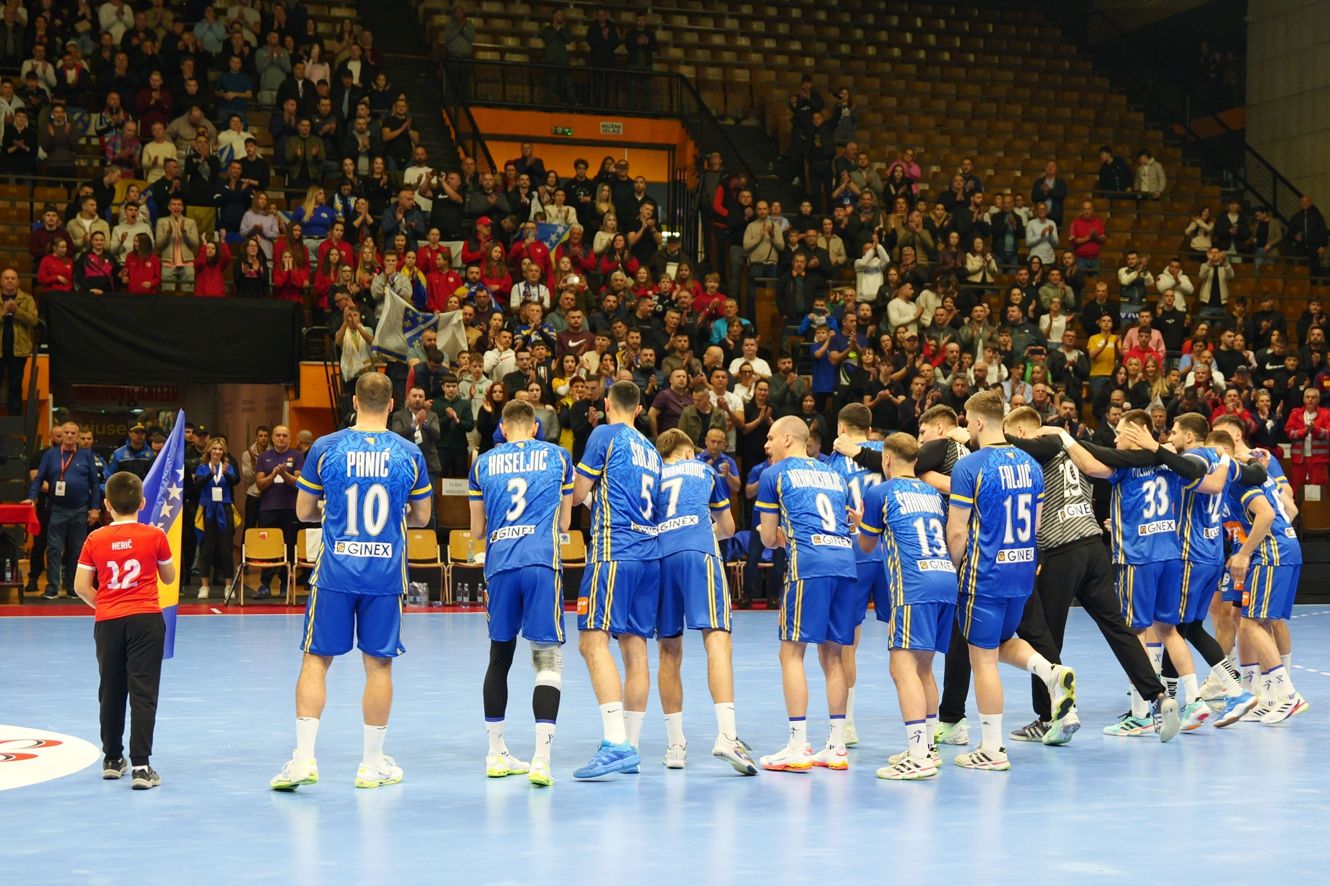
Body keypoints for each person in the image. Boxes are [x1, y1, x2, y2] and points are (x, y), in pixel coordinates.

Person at [270, 373, 433, 792]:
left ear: (355, 402)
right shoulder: (409, 453)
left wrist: (332, 511)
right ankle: (371, 764)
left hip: (335, 571)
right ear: (392, 404)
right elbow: (422, 518)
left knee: (315, 660)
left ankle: (304, 759)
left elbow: (304, 511)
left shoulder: (326, 447)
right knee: (378, 665)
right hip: (384, 574)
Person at [943, 390, 1072, 771]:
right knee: (1000, 642)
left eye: (967, 421)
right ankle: (1050, 672)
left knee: (982, 659)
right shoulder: (1032, 464)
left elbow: (957, 531)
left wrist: (954, 569)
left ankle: (992, 748)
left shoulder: (970, 466)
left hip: (984, 573)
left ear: (978, 422)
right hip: (1021, 570)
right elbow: (1036, 524)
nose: (967, 428)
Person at [1056, 409, 1203, 736]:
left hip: (1139, 557)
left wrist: (1064, 438)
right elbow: (1193, 472)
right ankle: (1195, 699)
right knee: (1168, 630)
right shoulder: (1169, 462)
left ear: (1136, 434)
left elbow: (1090, 466)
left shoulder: (1124, 466)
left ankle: (1141, 715)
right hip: (1170, 553)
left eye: (1121, 432)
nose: (1116, 439)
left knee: (1133, 634)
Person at [468, 399, 573, 787]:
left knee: (499, 656)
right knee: (548, 659)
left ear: (502, 428)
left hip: (500, 565)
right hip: (541, 561)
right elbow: (565, 522)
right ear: (534, 427)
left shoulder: (482, 464)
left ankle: (495, 753)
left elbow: (476, 531)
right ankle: (541, 760)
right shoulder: (558, 457)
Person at [570, 380, 661, 779]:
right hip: (649, 555)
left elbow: (577, 494)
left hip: (614, 550)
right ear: (639, 409)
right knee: (635, 649)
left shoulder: (605, 435)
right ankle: (631, 746)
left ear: (606, 404)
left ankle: (615, 743)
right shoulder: (652, 450)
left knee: (592, 641)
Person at [753, 416, 855, 772]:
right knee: (834, 656)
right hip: (845, 563)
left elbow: (769, 539)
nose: (766, 445)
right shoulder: (834, 474)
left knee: (791, 653)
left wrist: (775, 536)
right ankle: (837, 746)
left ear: (787, 439)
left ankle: (797, 745)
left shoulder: (773, 475)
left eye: (770, 438)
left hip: (809, 564)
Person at [652, 428, 756, 774]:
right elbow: (728, 527)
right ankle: (727, 736)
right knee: (717, 640)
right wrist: (708, 529)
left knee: (669, 650)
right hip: (699, 552)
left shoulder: (652, 475)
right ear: (687, 452)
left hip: (661, 557)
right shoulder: (703, 469)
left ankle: (675, 745)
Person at [857, 433, 957, 779]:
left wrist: (861, 523)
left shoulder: (880, 492)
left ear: (886, 459)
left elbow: (866, 545)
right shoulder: (932, 493)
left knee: (902, 668)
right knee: (923, 668)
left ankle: (917, 757)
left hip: (914, 585)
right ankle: (927, 747)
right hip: (945, 577)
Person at [73, 471, 175, 790]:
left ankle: (112, 759)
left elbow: (80, 586)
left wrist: (106, 604)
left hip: (108, 621)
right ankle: (142, 767)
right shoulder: (155, 535)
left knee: (111, 690)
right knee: (143, 692)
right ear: (142, 503)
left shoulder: (95, 538)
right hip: (145, 619)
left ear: (107, 504)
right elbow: (169, 577)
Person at [1207, 429, 1306, 725]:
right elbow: (1288, 509)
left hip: (1270, 552)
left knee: (1253, 622)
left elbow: (1268, 514)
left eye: (1212, 455)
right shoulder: (1244, 474)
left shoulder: (1238, 478)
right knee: (1251, 621)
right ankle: (1269, 696)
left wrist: (1245, 551)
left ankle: (1287, 694)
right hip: (1278, 548)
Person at [826, 404, 882, 748]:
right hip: (892, 550)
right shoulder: (890, 452)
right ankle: (929, 728)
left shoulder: (834, 463)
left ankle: (846, 723)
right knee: (910, 644)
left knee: (847, 643)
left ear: (841, 428)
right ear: (870, 429)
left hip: (854, 552)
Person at [26, 421, 100, 599]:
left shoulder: (86, 455)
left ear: (77, 436)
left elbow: (94, 483)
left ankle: (73, 587)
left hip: (80, 509)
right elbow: (39, 478)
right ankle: (52, 587)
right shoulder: (51, 454)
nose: (69, 436)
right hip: (57, 508)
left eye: (73, 433)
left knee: (76, 550)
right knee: (53, 549)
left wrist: (95, 508)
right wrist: (32, 496)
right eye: (66, 432)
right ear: (62, 434)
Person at [253, 425, 304, 599]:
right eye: (278, 435)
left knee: (288, 546)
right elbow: (260, 484)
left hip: (290, 508)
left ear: (289, 438)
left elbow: (299, 482)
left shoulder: (297, 455)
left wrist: (285, 474)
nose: (281, 438)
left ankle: (284, 583)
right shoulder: (264, 457)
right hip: (269, 508)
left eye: (284, 435)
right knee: (267, 546)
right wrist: (273, 474)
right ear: (273, 438)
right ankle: (265, 585)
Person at [193, 438, 237, 600]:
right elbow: (198, 485)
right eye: (214, 449)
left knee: (226, 549)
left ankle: (228, 586)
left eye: (220, 449)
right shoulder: (203, 467)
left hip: (224, 508)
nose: (217, 452)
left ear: (223, 452)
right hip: (207, 508)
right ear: (209, 451)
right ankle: (204, 586)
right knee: (206, 548)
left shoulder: (227, 467)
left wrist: (225, 473)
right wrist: (210, 474)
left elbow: (234, 482)